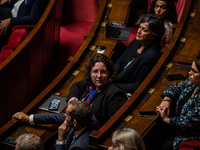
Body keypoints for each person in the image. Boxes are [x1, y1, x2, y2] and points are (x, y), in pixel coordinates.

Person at [13, 100, 99, 150]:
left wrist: (61, 138)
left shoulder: (79, 147)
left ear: (74, 122)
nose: (64, 115)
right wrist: (28, 118)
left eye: (66, 114)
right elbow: (56, 117)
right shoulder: (88, 117)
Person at [67, 54, 127, 126]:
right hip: (74, 121)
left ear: (109, 73)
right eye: (95, 71)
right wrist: (72, 97)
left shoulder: (116, 94)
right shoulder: (90, 84)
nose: (99, 76)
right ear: (90, 73)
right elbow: (76, 85)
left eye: (103, 72)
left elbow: (111, 124)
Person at [156, 56, 200, 150]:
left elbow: (188, 121)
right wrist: (167, 100)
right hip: (176, 127)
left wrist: (166, 119)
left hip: (190, 136)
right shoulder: (192, 82)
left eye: (194, 71)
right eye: (191, 69)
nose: (189, 73)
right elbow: (174, 88)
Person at [114, 14, 165, 94]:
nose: (138, 31)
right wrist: (111, 75)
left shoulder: (151, 56)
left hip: (123, 89)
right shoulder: (137, 41)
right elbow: (120, 59)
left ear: (153, 36)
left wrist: (114, 86)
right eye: (139, 27)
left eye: (144, 30)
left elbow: (137, 85)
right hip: (116, 79)